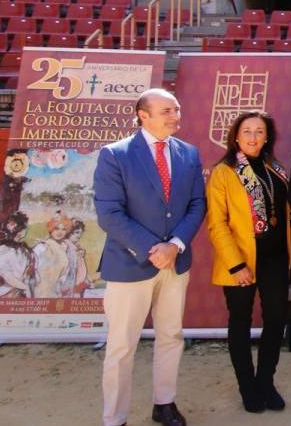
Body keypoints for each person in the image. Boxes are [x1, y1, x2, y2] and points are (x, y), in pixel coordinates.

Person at [94, 88, 206, 426]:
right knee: (121, 346)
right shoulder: (115, 155)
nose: (175, 117)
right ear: (144, 115)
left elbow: (196, 205)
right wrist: (151, 248)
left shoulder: (189, 153)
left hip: (176, 262)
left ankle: (165, 403)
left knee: (171, 336)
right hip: (130, 264)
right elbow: (110, 213)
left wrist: (175, 245)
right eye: (167, 111)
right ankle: (115, 418)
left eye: (177, 109)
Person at [205, 110, 291, 414]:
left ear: (267, 135)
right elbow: (217, 224)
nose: (253, 137)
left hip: (276, 258)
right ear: (236, 136)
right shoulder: (225, 171)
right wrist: (236, 264)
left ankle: (266, 382)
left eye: (259, 131)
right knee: (240, 323)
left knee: (276, 320)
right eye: (247, 131)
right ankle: (248, 387)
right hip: (241, 261)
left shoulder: (275, 167)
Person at [0, 211, 34, 298]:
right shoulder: (3, 250)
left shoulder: (25, 250)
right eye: (18, 231)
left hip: (22, 292)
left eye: (23, 230)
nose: (21, 235)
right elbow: (5, 275)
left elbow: (31, 275)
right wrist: (24, 287)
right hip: (5, 292)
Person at [32, 211, 73, 298]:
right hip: (39, 289)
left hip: (56, 291)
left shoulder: (66, 249)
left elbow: (65, 273)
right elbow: (32, 269)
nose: (60, 232)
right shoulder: (41, 247)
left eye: (63, 229)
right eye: (56, 228)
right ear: (51, 229)